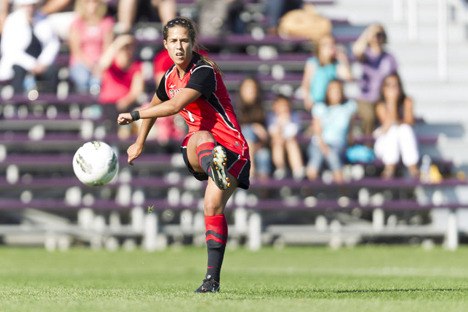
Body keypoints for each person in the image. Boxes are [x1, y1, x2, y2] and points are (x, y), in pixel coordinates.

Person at [117, 17, 250, 293]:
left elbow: (174, 105)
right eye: (174, 41)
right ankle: (214, 167)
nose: (179, 46)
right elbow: (157, 104)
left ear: (192, 43)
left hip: (233, 148)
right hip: (203, 147)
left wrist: (134, 115)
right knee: (200, 135)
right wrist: (139, 142)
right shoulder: (168, 78)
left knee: (211, 208)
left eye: (185, 41)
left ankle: (212, 281)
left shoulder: (203, 71)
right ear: (165, 45)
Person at [0, 0, 60, 95]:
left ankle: (48, 103)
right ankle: (17, 104)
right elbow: (10, 50)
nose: (30, 8)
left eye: (33, 5)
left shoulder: (43, 19)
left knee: (52, 71)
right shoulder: (12, 21)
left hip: (40, 64)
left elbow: (52, 43)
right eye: (27, 5)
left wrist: (43, 62)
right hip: (19, 64)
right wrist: (31, 64)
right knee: (18, 71)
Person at [306, 79, 357, 184]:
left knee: (332, 155)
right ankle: (310, 193)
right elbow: (317, 131)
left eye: (337, 90)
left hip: (338, 144)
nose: (335, 93)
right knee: (316, 160)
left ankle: (342, 191)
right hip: (318, 144)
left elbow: (350, 129)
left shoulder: (349, 106)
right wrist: (323, 146)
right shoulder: (319, 107)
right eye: (332, 90)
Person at [352, 23, 398, 136]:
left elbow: (394, 78)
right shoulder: (365, 54)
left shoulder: (389, 58)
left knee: (389, 119)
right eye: (375, 35)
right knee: (369, 117)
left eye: (380, 34)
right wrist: (368, 33)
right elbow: (356, 50)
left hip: (381, 98)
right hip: (365, 97)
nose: (377, 38)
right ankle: (367, 144)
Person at [373, 72, 419, 179]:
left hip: (402, 141)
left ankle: (412, 167)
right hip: (384, 141)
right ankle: (390, 167)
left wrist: (394, 101)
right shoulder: (380, 104)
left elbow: (409, 121)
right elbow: (388, 123)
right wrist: (391, 101)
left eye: (395, 85)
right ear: (383, 88)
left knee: (404, 129)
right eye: (389, 85)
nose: (392, 88)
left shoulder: (407, 100)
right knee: (393, 129)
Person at [99, 33, 144, 137]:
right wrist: (117, 44)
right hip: (108, 104)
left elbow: (137, 90)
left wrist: (125, 101)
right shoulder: (111, 63)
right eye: (124, 47)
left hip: (126, 104)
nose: (126, 51)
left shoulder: (136, 66)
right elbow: (101, 66)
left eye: (129, 47)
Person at [68, 0, 114, 94]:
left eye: (94, 2)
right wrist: (91, 65)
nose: (91, 5)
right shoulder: (77, 23)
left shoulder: (107, 22)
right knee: (82, 79)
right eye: (87, 2)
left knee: (97, 81)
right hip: (81, 62)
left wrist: (99, 65)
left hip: (101, 62)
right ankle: (84, 105)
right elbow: (76, 51)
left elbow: (108, 48)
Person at [301, 34, 352, 113]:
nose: (330, 47)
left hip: (331, 105)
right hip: (316, 103)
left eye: (332, 44)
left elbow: (348, 77)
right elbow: (306, 83)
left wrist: (343, 60)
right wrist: (307, 97)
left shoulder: (335, 65)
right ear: (319, 48)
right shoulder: (313, 63)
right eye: (326, 45)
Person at [237, 75, 271, 180]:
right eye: (247, 88)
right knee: (248, 130)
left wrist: (258, 144)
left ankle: (262, 191)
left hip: (258, 148)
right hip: (239, 149)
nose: (251, 91)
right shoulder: (235, 109)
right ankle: (249, 174)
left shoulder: (262, 111)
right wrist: (253, 127)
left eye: (253, 88)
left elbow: (267, 139)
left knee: (264, 155)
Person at [267, 94, 304, 180]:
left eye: (285, 106)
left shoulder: (294, 117)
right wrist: (280, 125)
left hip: (290, 142)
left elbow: (293, 132)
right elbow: (273, 133)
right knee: (277, 143)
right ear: (275, 107)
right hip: (277, 143)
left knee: (291, 143)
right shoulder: (271, 118)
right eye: (280, 106)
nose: (283, 108)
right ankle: (280, 168)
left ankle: (297, 169)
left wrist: (286, 121)